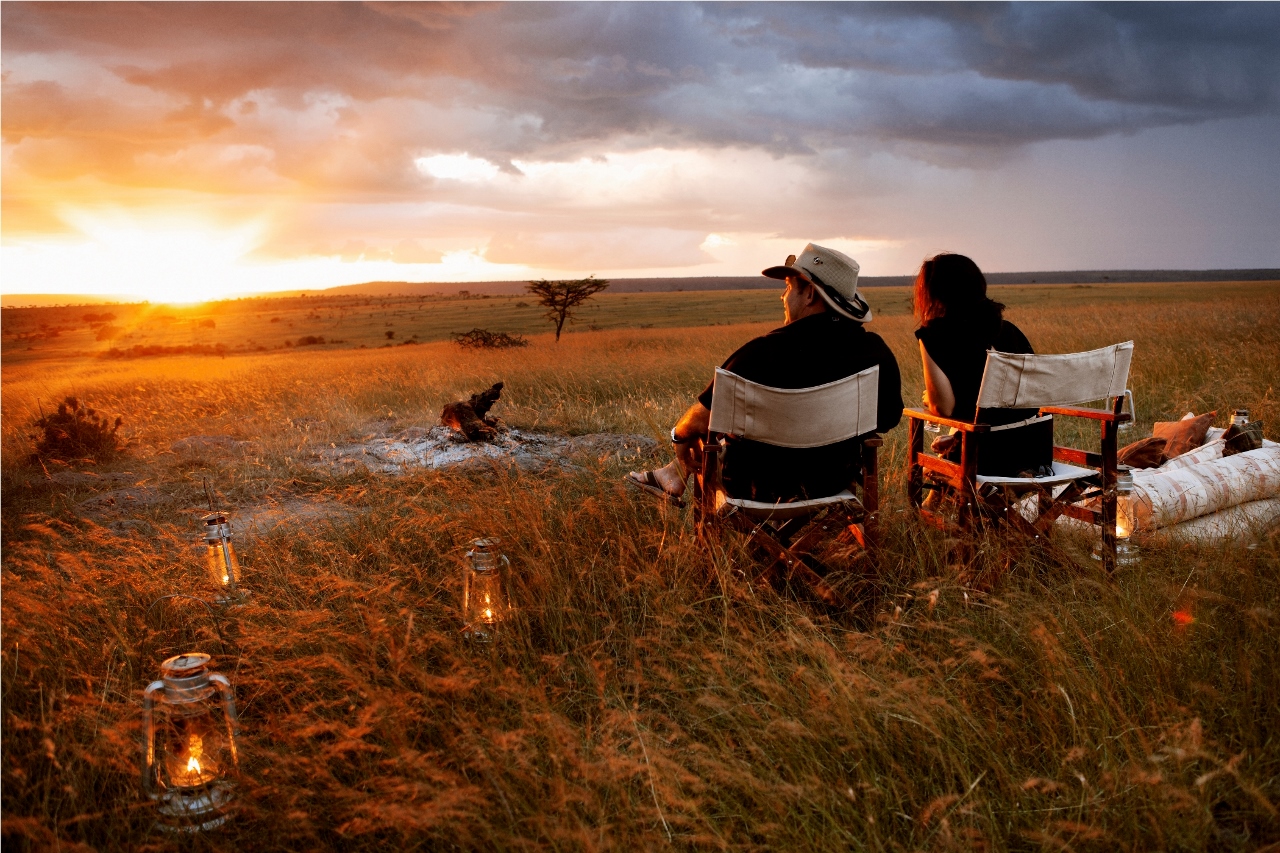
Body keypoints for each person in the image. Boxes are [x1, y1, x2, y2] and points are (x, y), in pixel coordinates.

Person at [627, 244, 903, 504]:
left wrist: (677, 435)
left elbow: (700, 420)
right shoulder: (875, 352)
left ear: (809, 294)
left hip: (755, 485)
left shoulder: (762, 353)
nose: (783, 297)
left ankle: (673, 473)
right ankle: (672, 473)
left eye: (788, 288)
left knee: (706, 433)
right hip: (833, 481)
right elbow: (889, 418)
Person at [914, 252, 1052, 477]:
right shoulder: (1010, 331)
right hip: (1033, 453)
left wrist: (930, 399)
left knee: (945, 463)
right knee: (958, 445)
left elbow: (943, 408)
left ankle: (931, 506)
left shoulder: (935, 335)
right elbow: (1015, 404)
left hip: (982, 457)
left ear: (934, 293)